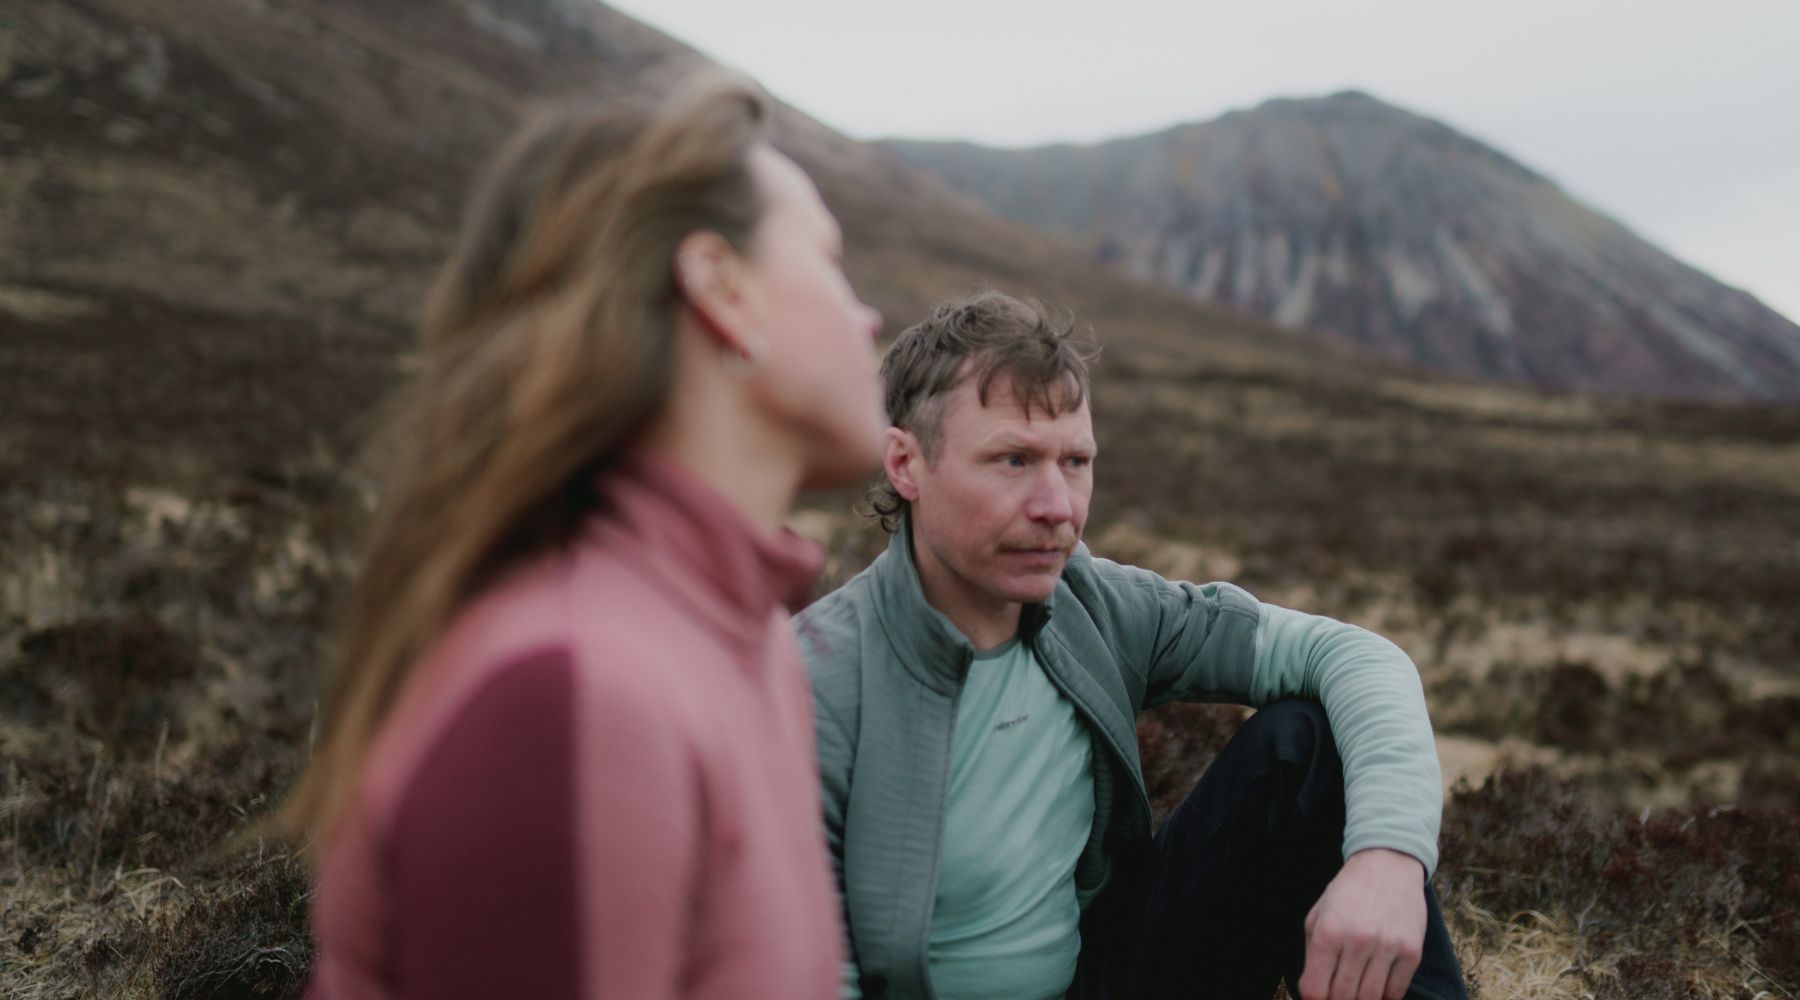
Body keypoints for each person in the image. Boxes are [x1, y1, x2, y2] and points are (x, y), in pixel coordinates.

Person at [277, 71, 886, 999]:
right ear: (723, 289)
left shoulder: (747, 636)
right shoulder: (575, 693)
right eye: (830, 260)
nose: (866, 314)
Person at [797, 290, 1468, 1000]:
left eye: (1076, 462)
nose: (1058, 506)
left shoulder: (1096, 607)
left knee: (1300, 745)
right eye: (1013, 460)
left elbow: (1360, 656)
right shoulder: (813, 682)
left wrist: (1389, 858)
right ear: (906, 464)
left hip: (1105, 981)